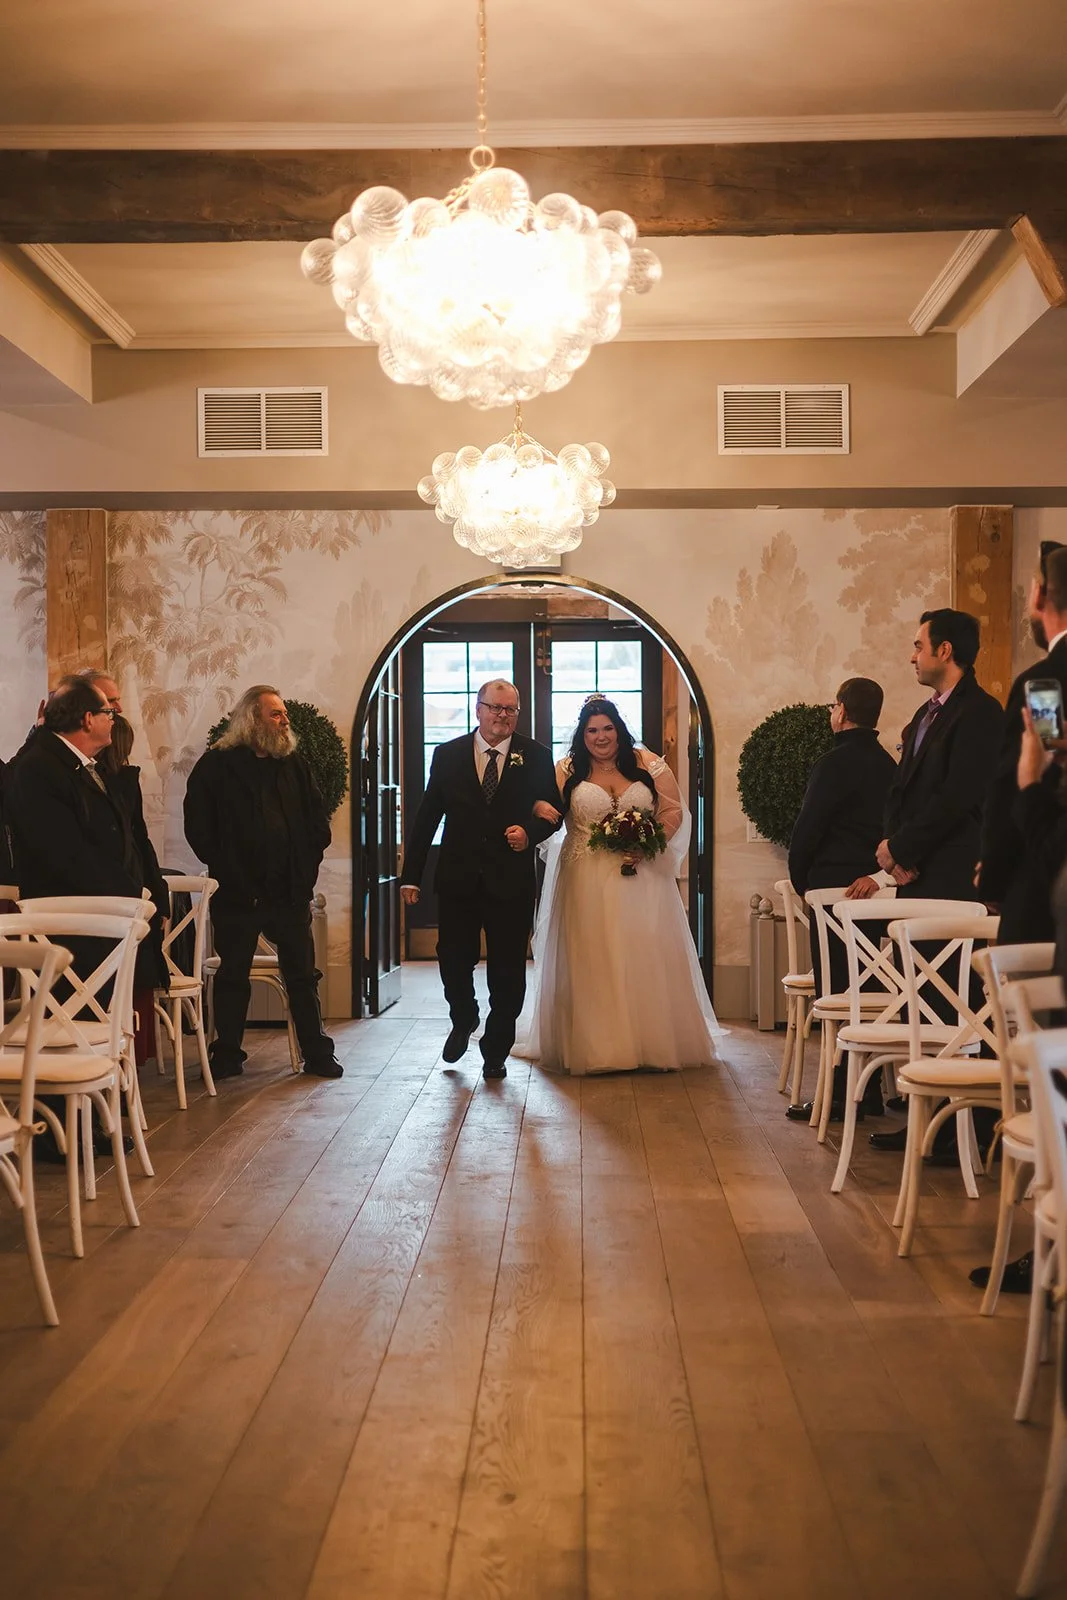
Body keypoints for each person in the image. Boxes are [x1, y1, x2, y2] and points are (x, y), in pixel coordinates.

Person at [861, 609, 1004, 1157]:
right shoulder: (924, 714)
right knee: (925, 999)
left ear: (945, 651)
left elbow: (958, 796)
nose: (911, 654)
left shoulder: (981, 714)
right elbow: (903, 792)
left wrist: (904, 848)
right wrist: (893, 853)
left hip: (952, 873)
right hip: (920, 872)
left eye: (918, 645)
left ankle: (961, 1124)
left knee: (955, 1001)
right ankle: (930, 1113)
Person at [517, 696, 723, 1075]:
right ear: (583, 734)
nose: (601, 737)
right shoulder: (567, 769)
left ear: (619, 728)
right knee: (594, 955)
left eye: (608, 728)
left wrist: (650, 841)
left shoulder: (646, 763)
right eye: (593, 730)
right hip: (585, 877)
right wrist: (535, 809)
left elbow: (673, 809)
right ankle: (598, 1048)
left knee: (641, 951)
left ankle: (649, 1043)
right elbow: (540, 803)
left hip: (641, 874)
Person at [400, 679, 559, 1080]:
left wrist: (529, 833)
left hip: (511, 879)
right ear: (478, 708)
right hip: (457, 877)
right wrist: (410, 876)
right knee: (453, 959)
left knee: (507, 967)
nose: (502, 716)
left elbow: (553, 811)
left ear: (517, 714)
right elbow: (427, 817)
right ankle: (464, 1016)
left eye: (510, 710)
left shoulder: (536, 755)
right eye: (495, 708)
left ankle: (496, 1048)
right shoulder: (448, 754)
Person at [183, 684, 342, 1080]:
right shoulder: (216, 766)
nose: (285, 720)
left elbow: (316, 821)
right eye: (276, 714)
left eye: (284, 713)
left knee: (302, 976)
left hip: (289, 890)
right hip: (239, 893)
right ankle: (227, 1054)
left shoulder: (293, 764)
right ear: (252, 719)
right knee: (233, 975)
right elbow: (199, 827)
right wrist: (229, 872)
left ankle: (316, 1053)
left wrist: (305, 869)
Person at [785, 677, 896, 1121]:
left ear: (843, 711)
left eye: (834, 706)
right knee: (865, 991)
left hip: (833, 893)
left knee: (836, 995)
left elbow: (808, 829)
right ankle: (864, 1091)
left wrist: (803, 883)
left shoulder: (832, 764)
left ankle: (837, 1095)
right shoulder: (890, 766)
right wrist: (877, 874)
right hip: (872, 891)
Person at [979, 541, 1067, 942]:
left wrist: (995, 877)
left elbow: (1022, 784)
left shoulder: (1045, 685)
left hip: (1047, 886)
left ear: (1040, 595)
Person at [100, 713, 169, 1066]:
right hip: (127, 889)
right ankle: (132, 1058)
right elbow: (140, 840)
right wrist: (156, 890)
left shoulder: (118, 782)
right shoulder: (119, 782)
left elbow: (137, 838)